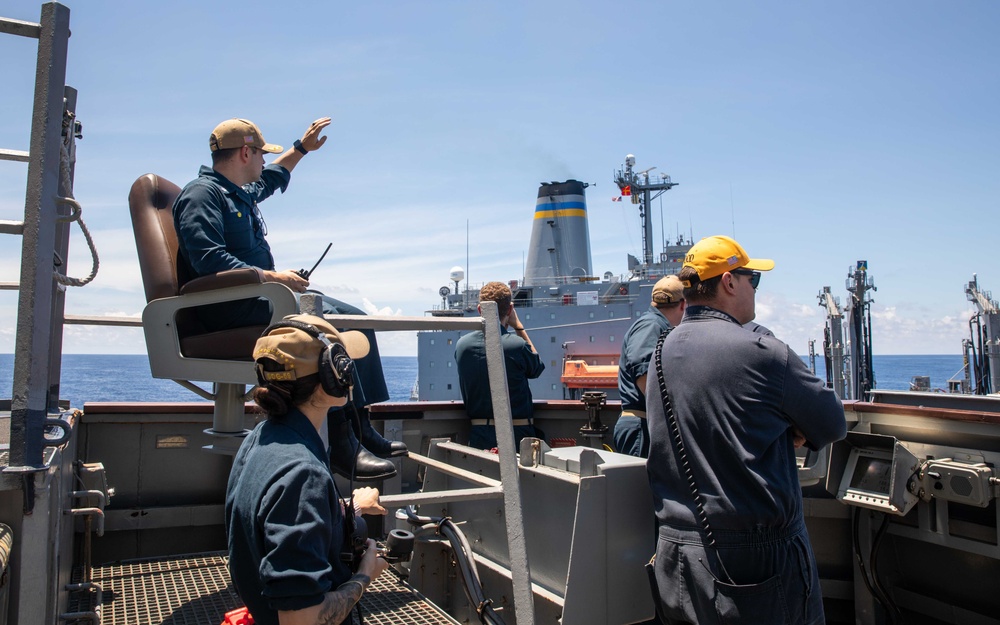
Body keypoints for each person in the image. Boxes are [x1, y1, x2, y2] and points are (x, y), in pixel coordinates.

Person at [172, 117, 404, 479]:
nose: (264, 161)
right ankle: (343, 446)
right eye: (261, 154)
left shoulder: (238, 190)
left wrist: (301, 149)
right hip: (230, 311)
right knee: (326, 329)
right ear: (246, 152)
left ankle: (361, 428)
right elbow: (207, 258)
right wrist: (271, 277)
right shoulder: (201, 195)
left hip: (259, 301)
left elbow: (272, 179)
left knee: (357, 319)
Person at [645, 235, 847, 625]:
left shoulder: (660, 354)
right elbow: (832, 423)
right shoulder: (764, 353)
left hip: (676, 553)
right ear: (729, 282)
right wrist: (790, 431)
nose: (754, 286)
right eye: (752, 277)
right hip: (754, 564)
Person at [226, 314, 390, 625]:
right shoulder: (303, 476)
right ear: (334, 377)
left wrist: (349, 511)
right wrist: (365, 575)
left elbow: (275, 522)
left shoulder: (259, 440)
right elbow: (302, 619)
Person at [454, 281, 545, 451]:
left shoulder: (462, 345)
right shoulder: (517, 345)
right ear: (510, 310)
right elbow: (537, 367)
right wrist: (518, 327)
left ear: (480, 309)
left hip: (478, 435)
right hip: (517, 434)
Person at [614, 275, 686, 457]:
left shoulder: (655, 324)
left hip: (644, 425)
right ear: (683, 305)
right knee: (640, 485)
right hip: (641, 427)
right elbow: (644, 372)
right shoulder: (651, 325)